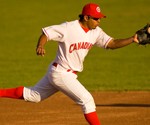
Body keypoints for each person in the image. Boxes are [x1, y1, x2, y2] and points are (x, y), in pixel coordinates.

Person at [0, 3, 138, 125]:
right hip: (61, 73)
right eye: (96, 18)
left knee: (34, 95)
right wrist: (40, 46)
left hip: (61, 73)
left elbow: (112, 44)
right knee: (87, 100)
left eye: (100, 18)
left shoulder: (96, 32)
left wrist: (132, 39)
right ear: (86, 18)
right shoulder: (68, 28)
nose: (99, 21)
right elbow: (46, 34)